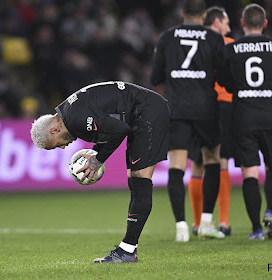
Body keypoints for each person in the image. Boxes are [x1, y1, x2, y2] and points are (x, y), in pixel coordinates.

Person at [30, 81, 169, 263]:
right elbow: (110, 125)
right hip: (142, 112)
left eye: (57, 144)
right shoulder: (70, 114)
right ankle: (128, 249)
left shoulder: (76, 120)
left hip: (148, 112)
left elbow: (120, 130)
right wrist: (97, 152)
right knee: (135, 180)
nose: (63, 147)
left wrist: (98, 159)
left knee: (140, 178)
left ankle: (127, 250)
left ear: (54, 129)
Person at [151, 0, 225, 242]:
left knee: (177, 165)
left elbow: (155, 77)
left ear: (183, 14)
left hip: (177, 107)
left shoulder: (166, 37)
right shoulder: (214, 38)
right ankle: (205, 223)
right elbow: (223, 76)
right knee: (212, 159)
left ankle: (181, 227)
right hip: (206, 107)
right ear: (204, 16)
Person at [222, 4, 272, 240]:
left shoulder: (233, 48)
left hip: (243, 117)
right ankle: (270, 211)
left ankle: (256, 230)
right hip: (270, 115)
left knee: (250, 173)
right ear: (265, 24)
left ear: (242, 23)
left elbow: (226, 82)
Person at [187, 6, 234, 237]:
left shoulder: (189, 41)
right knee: (220, 160)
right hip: (222, 105)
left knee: (197, 163)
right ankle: (223, 221)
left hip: (194, 105)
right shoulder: (227, 43)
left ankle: (197, 224)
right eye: (226, 22)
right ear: (216, 23)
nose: (229, 27)